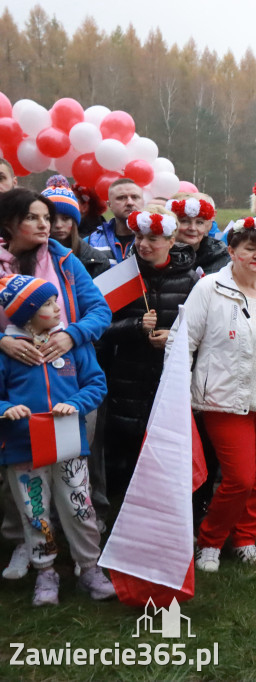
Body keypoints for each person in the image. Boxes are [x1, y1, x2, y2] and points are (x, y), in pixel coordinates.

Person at [172, 216, 256, 572]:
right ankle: (210, 541)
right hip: (225, 401)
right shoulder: (209, 289)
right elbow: (183, 341)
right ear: (231, 251)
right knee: (239, 478)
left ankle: (246, 538)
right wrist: (176, 393)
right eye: (250, 248)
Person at [0, 188, 112, 581]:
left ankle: (84, 556)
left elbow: (100, 308)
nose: (45, 224)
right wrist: (3, 341)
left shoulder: (64, 261)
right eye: (34, 217)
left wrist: (73, 335)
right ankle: (27, 547)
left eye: (47, 217)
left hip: (68, 379)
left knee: (73, 472)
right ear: (10, 223)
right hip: (16, 385)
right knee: (22, 478)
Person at [100, 208, 199, 501]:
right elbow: (98, 327)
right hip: (128, 378)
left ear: (171, 241)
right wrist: (134, 325)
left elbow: (203, 329)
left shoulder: (192, 279)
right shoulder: (120, 275)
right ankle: (123, 506)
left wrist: (174, 338)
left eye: (153, 238)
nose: (143, 244)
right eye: (140, 237)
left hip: (172, 378)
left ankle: (166, 502)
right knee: (127, 447)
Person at [41, 176, 109, 278]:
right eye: (52, 219)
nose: (59, 225)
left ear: (75, 221)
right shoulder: (28, 258)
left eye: (65, 218)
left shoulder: (97, 261)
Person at [167, 193, 229, 276]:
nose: (193, 228)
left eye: (199, 222)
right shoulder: (160, 255)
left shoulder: (219, 256)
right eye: (185, 221)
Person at [87, 178, 143, 265]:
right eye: (121, 198)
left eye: (135, 197)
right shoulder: (91, 241)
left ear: (143, 202)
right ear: (110, 205)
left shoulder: (156, 239)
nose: (130, 202)